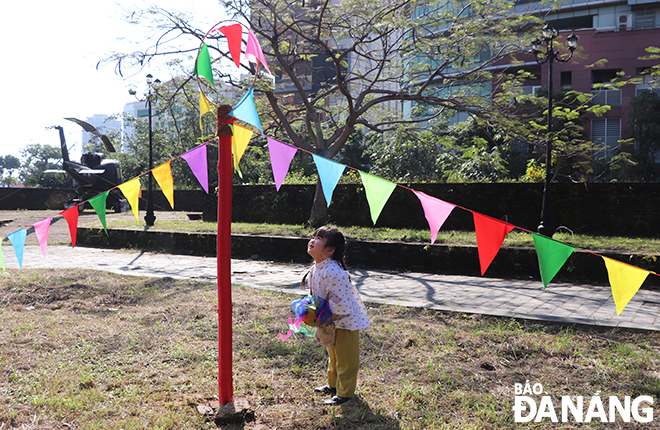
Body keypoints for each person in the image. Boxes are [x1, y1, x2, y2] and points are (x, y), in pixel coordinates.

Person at [305, 226, 370, 406]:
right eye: (313, 236)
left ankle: (345, 393)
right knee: (332, 353)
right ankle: (333, 386)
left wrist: (320, 314)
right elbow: (316, 295)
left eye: (319, 238)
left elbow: (341, 304)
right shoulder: (315, 269)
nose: (313, 239)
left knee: (346, 358)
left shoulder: (335, 272)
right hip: (330, 319)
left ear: (330, 250)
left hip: (345, 321)